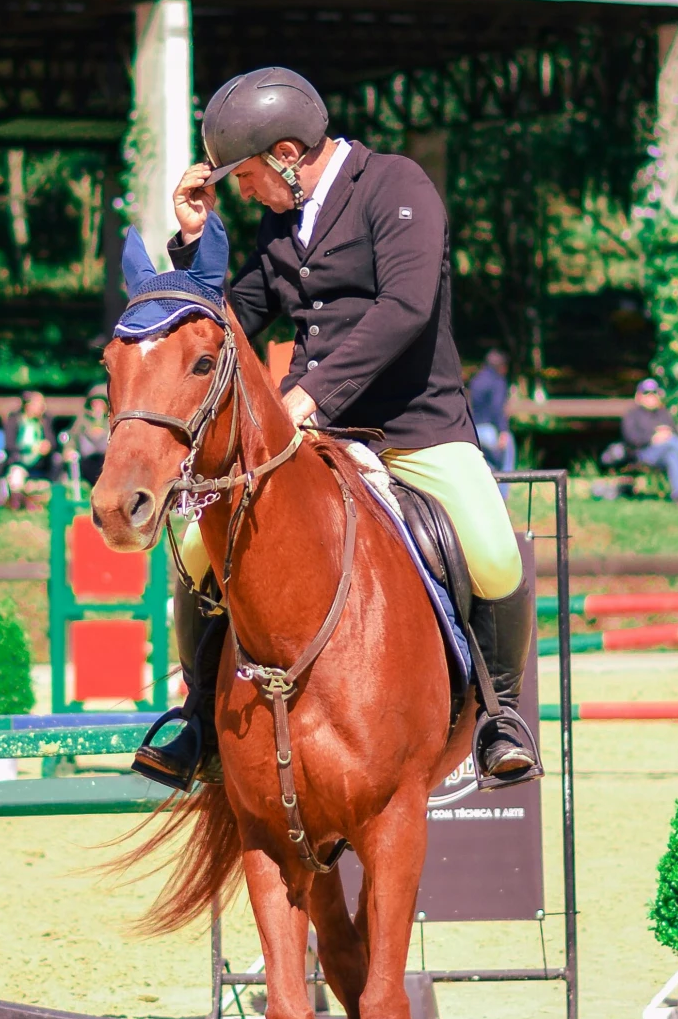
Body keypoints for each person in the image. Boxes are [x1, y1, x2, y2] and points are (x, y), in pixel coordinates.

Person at [132, 64, 536, 793]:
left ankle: (498, 718)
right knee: (197, 550)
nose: (243, 190)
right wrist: (194, 243)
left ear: (286, 154)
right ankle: (197, 715)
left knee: (493, 552)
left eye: (246, 176)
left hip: (414, 428)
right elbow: (231, 319)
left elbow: (405, 309)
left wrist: (310, 395)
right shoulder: (281, 218)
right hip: (307, 433)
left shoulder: (397, 186)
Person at [620, 378, 678, 502]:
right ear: (639, 396)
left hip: (664, 452)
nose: (651, 398)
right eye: (646, 394)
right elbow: (631, 438)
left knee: (672, 455)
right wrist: (653, 438)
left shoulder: (663, 414)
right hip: (642, 454)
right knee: (670, 443)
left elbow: (676, 433)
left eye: (654, 394)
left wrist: (666, 435)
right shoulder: (632, 415)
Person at [468, 348, 516, 477]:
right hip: (491, 430)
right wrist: (503, 431)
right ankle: (503, 494)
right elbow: (497, 408)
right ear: (502, 367)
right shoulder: (498, 382)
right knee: (505, 462)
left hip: (476, 430)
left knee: (487, 466)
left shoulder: (476, 380)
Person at [6, 389, 54, 507]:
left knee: (57, 460)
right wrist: (30, 448)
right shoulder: (15, 420)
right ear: (28, 405)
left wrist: (47, 446)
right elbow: (10, 445)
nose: (42, 407)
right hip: (20, 460)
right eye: (39, 404)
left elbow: (52, 442)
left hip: (41, 462)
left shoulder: (45, 421)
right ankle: (16, 503)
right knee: (16, 475)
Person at [61, 386, 112, 487]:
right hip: (85, 460)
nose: (97, 406)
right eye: (95, 403)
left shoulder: (110, 420)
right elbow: (71, 437)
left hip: (105, 460)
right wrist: (68, 449)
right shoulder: (82, 420)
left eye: (101, 403)